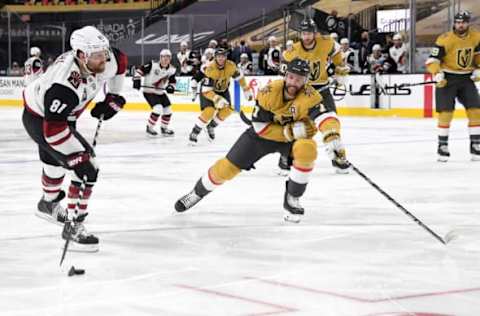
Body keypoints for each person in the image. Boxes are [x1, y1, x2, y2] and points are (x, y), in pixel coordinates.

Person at [175, 58, 335, 223]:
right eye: (292, 77)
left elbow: (326, 117)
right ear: (286, 76)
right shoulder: (269, 91)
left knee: (307, 148)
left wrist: (332, 135)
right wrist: (288, 131)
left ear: (306, 80)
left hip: (292, 138)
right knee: (226, 169)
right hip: (262, 137)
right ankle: (196, 193)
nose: (295, 82)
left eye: (300, 79)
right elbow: (260, 127)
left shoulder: (311, 96)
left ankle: (292, 197)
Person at [21, 26, 128, 252]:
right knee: (88, 168)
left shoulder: (105, 59)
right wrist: (78, 159)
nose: (104, 59)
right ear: (81, 55)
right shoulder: (64, 85)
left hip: (58, 116)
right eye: (97, 55)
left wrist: (114, 96)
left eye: (104, 52)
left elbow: (121, 61)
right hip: (41, 119)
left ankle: (47, 204)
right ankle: (73, 226)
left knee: (53, 164)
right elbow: (53, 132)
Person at [281, 19, 351, 174]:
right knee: (298, 128)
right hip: (303, 92)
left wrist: (340, 70)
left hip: (323, 89)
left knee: (332, 121)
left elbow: (338, 55)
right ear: (300, 34)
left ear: (315, 33)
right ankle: (286, 157)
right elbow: (284, 70)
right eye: (304, 33)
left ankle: (338, 157)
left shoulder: (326, 42)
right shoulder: (294, 50)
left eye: (309, 33)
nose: (306, 37)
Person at [425, 11, 480, 161]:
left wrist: (478, 69)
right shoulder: (445, 39)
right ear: (454, 23)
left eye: (463, 22)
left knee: (475, 110)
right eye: (457, 22)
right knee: (446, 113)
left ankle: (476, 145)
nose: (460, 25)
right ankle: (442, 146)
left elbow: (477, 56)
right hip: (447, 78)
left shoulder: (476, 36)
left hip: (466, 78)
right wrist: (437, 73)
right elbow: (432, 60)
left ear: (468, 23)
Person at [187, 48, 253, 144]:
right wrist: (217, 98)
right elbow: (206, 91)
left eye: (223, 56)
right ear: (215, 57)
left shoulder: (231, 66)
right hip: (209, 91)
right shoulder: (210, 68)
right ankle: (195, 132)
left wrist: (246, 90)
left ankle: (211, 127)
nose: (221, 59)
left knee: (227, 110)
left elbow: (240, 77)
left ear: (226, 57)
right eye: (218, 57)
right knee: (210, 111)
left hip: (223, 90)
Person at [134, 49, 177, 137]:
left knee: (168, 110)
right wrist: (137, 80)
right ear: (160, 57)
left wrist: (171, 87)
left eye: (168, 57)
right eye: (163, 57)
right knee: (157, 108)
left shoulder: (172, 69)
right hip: (149, 91)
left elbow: (172, 81)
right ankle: (149, 127)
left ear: (170, 58)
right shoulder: (152, 64)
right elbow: (139, 71)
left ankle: (164, 128)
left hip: (160, 92)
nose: (165, 59)